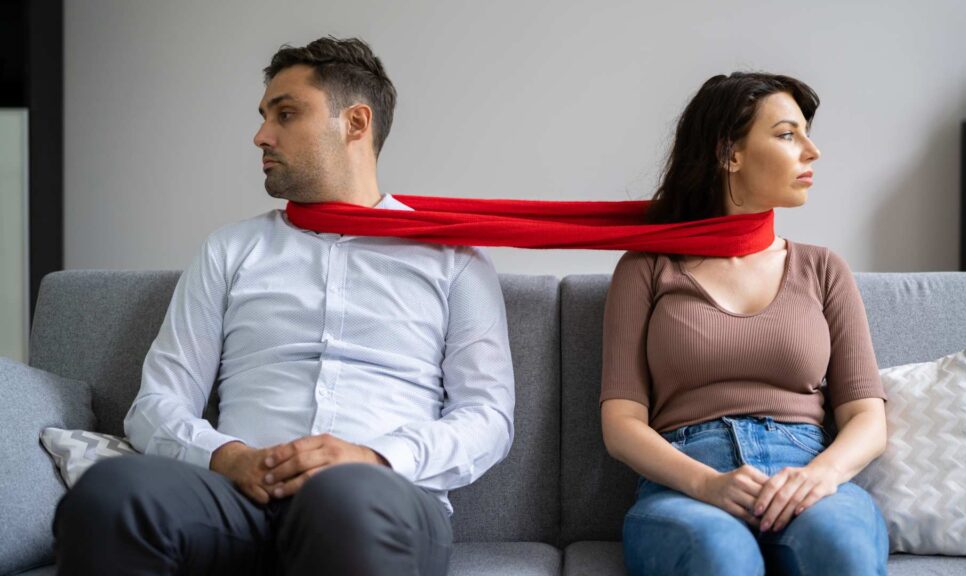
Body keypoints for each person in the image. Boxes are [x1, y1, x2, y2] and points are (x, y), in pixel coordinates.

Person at [52, 36, 515, 576]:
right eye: (264, 115)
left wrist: (373, 459)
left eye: (286, 114)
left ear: (356, 124)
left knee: (346, 501)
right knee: (113, 492)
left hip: (378, 500)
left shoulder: (453, 257)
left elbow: (488, 418)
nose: (261, 136)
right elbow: (157, 404)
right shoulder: (230, 249)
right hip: (237, 500)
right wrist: (229, 458)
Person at [600, 73, 889, 575]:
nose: (812, 151)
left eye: (806, 132)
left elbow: (867, 416)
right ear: (729, 154)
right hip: (687, 484)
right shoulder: (647, 267)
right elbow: (621, 426)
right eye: (786, 134)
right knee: (721, 558)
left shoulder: (823, 269)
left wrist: (819, 477)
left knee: (841, 550)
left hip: (807, 477)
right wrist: (706, 484)